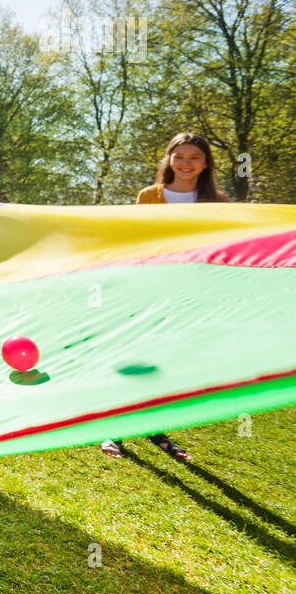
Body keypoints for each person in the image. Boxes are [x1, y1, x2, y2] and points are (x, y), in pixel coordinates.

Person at [101, 132, 229, 462]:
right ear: (169, 159)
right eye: (180, 156)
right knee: (135, 354)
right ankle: (112, 429)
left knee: (167, 360)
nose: (186, 164)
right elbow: (135, 239)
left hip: (188, 292)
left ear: (206, 164)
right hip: (146, 286)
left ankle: (155, 426)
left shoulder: (218, 203)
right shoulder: (149, 196)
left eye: (194, 158)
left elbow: (222, 247)